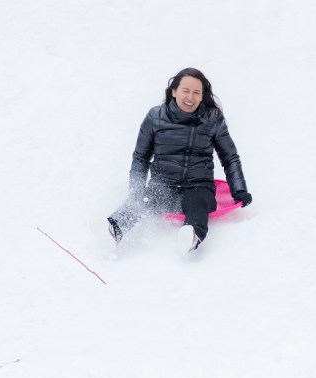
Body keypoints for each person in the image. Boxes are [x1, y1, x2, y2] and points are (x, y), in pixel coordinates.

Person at [107, 67, 252, 253]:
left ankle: (191, 237)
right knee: (145, 200)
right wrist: (136, 192)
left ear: (202, 96)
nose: (190, 97)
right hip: (163, 184)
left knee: (198, 203)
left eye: (196, 92)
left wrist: (239, 190)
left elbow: (229, 157)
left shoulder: (212, 119)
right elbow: (140, 158)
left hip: (199, 185)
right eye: (185, 90)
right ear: (174, 91)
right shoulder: (155, 117)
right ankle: (113, 229)